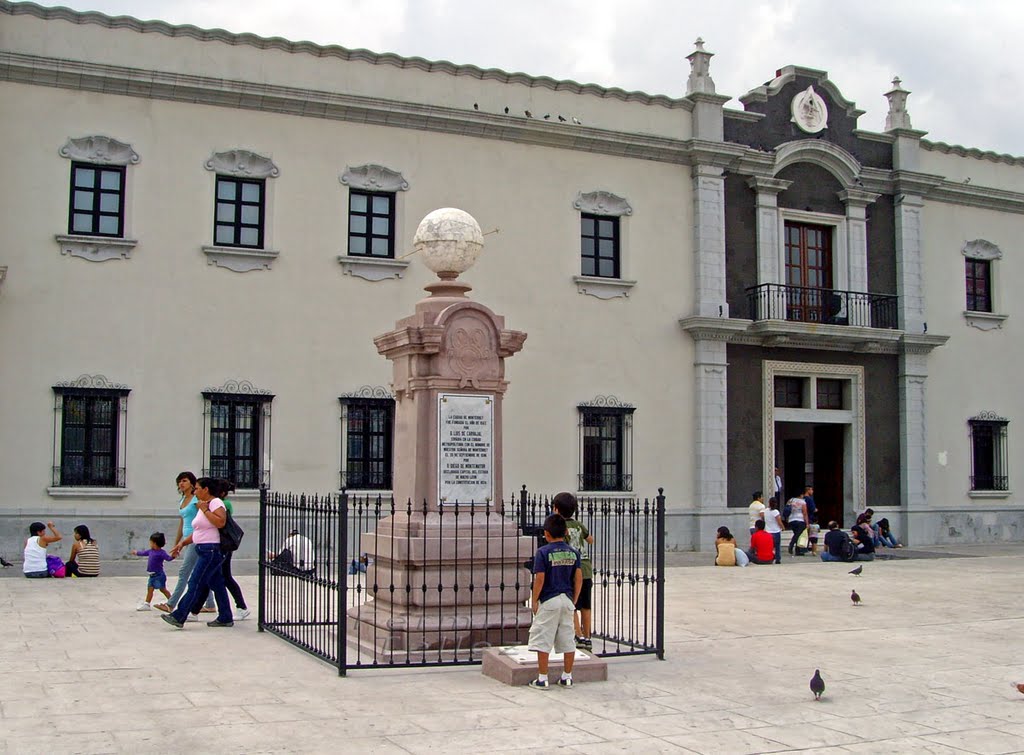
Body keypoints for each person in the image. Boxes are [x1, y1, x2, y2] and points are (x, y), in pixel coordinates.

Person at [161, 477, 235, 629]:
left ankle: (179, 615)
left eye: (197, 488)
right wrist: (182, 543)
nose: (195, 491)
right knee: (216, 583)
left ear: (206, 489)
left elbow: (220, 522)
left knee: (194, 582)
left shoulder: (215, 503)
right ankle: (226, 616)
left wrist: (205, 509)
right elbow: (198, 531)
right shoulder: (203, 505)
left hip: (211, 550)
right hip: (203, 548)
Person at [527, 514, 582, 690]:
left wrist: (534, 600)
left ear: (546, 534)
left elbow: (540, 579)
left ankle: (542, 678)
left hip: (549, 600)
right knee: (567, 638)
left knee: (543, 637)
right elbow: (578, 578)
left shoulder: (543, 552)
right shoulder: (574, 552)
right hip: (567, 599)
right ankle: (567, 676)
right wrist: (574, 599)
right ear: (566, 532)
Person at [155, 472, 215, 615]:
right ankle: (210, 603)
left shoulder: (196, 499)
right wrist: (177, 543)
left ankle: (171, 603)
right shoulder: (183, 500)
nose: (181, 484)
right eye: (179, 482)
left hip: (196, 538)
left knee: (184, 572)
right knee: (199, 573)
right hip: (187, 539)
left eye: (184, 481)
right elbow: (182, 521)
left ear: (192, 483)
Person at [552, 492, 594, 651]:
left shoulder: (561, 527)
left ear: (556, 510)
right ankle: (588, 636)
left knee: (573, 605)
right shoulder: (578, 524)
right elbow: (590, 539)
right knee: (586, 605)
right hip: (586, 567)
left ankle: (579, 634)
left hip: (572, 568)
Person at [220, 481, 250, 620]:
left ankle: (241, 606)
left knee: (225, 577)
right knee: (219, 578)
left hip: (224, 545)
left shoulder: (223, 504)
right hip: (221, 545)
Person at [132, 532, 174, 610]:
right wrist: (136, 552)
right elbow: (143, 553)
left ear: (154, 543)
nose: (150, 544)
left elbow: (168, 558)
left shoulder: (162, 553)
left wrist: (173, 556)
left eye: (150, 542)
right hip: (152, 575)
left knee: (163, 589)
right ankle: (147, 604)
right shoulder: (150, 551)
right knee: (150, 589)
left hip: (159, 575)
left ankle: (172, 602)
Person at [762, 497, 784, 564]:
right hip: (776, 531)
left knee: (769, 546)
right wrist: (783, 527)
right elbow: (779, 521)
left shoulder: (765, 511)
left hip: (768, 531)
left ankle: (769, 557)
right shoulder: (776, 512)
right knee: (777, 546)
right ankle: (777, 559)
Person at [803, 486, 819, 555]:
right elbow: (813, 509)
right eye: (811, 490)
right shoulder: (809, 499)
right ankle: (813, 550)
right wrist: (815, 509)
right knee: (812, 536)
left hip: (802, 518)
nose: (812, 492)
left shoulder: (802, 499)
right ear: (808, 490)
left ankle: (804, 548)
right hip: (810, 519)